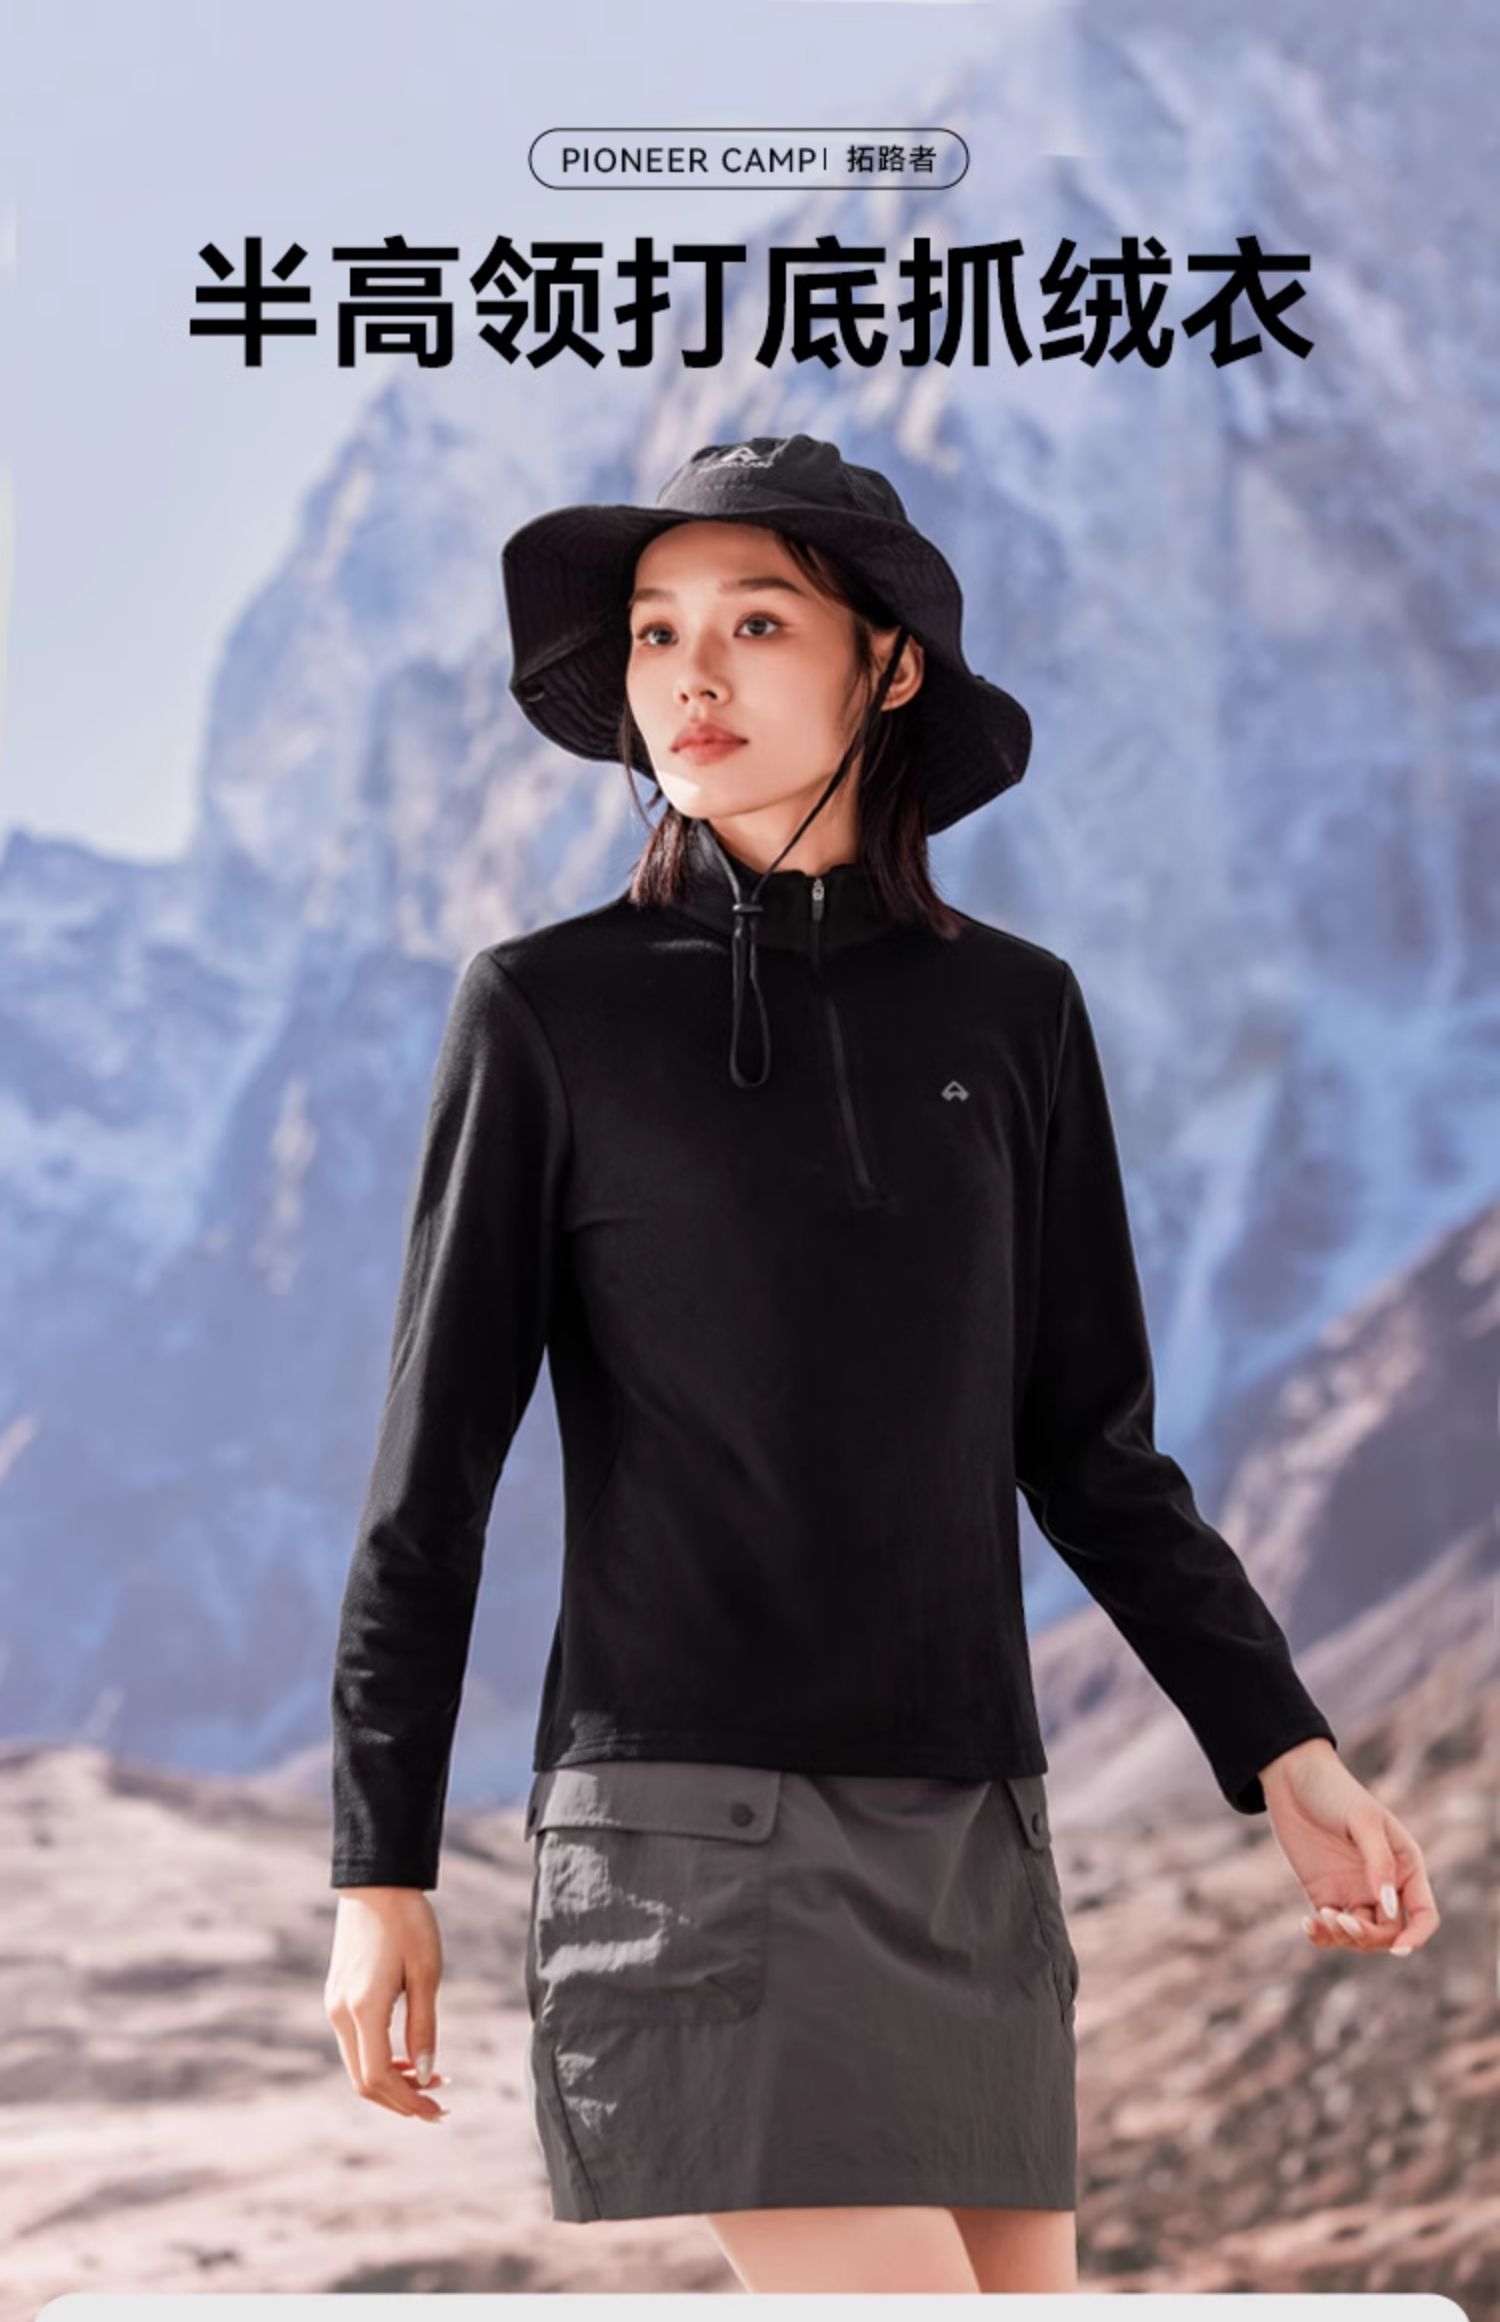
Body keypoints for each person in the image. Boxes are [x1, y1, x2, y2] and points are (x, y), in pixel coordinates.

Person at [323, 435, 1438, 2294]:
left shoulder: (1015, 1013)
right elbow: (428, 1478)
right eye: (657, 630)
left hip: (973, 1830)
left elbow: (1092, 1449)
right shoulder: (547, 1010)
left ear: (890, 665)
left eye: (757, 623)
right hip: (691, 1824)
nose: (691, 673)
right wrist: (381, 1870)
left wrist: (1283, 1746)